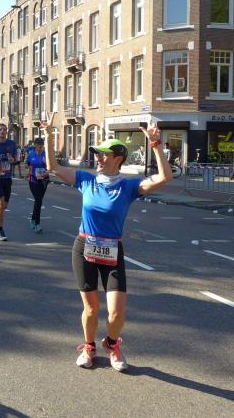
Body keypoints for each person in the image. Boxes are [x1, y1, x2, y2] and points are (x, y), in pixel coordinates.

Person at [39, 113, 172, 372]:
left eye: (103, 154)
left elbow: (164, 177)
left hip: (112, 250)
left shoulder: (129, 187)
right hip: (84, 248)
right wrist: (47, 136)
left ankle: (111, 343)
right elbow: (53, 167)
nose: (98, 158)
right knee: (91, 309)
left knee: (116, 313)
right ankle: (89, 347)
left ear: (118, 158)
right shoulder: (86, 180)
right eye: (97, 154)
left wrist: (156, 144)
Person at [26, 137, 50, 233]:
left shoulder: (46, 155)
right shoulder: (31, 155)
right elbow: (27, 164)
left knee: (39, 201)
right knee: (38, 200)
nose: (40, 147)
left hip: (43, 180)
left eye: (41, 145)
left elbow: (50, 168)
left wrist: (45, 173)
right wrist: (29, 172)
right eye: (38, 145)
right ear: (35, 145)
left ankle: (33, 219)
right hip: (33, 180)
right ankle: (37, 223)